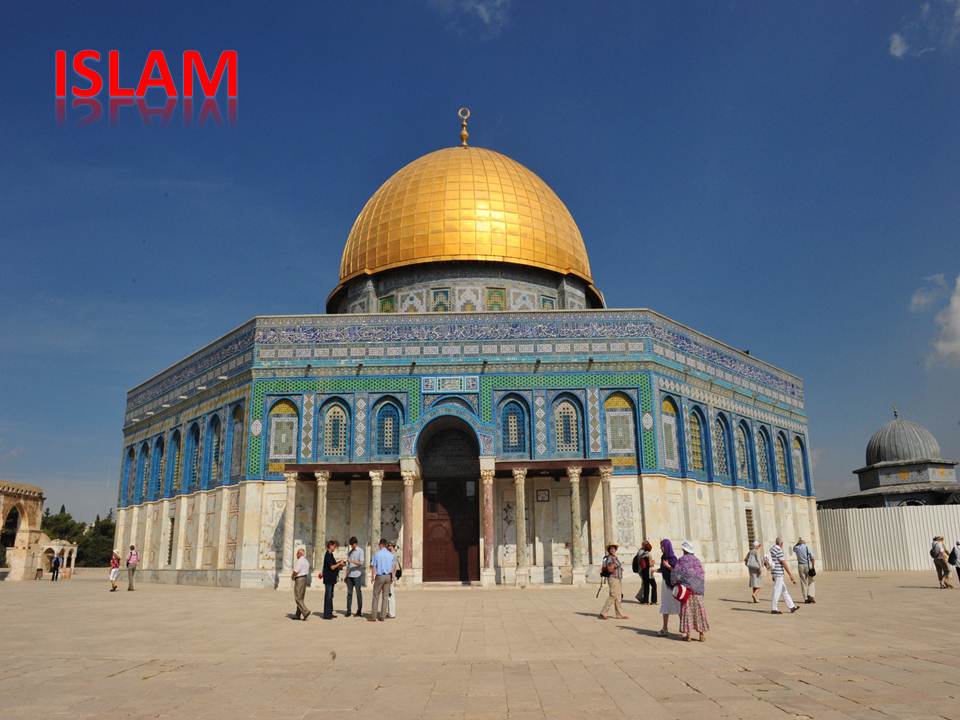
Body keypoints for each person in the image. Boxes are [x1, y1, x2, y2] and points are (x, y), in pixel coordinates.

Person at [674, 541, 709, 642]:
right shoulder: (697, 561)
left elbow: (676, 574)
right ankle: (701, 634)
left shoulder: (681, 560)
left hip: (687, 591)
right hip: (697, 591)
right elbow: (701, 575)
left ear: (684, 550)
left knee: (687, 612)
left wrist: (676, 582)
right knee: (699, 612)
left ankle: (688, 635)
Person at [657, 538, 681, 636]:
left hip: (673, 586)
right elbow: (663, 569)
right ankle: (665, 628)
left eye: (662, 546)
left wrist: (668, 566)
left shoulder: (673, 558)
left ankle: (685, 629)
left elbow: (677, 572)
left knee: (678, 606)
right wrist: (655, 570)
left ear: (667, 547)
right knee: (665, 606)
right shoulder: (663, 557)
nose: (661, 548)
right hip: (665, 585)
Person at [769, 537, 799, 614]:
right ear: (781, 544)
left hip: (775, 572)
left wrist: (772, 573)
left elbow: (772, 561)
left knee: (784, 590)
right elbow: (783, 562)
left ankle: (792, 607)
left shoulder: (772, 549)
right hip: (779, 573)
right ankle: (774, 608)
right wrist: (790, 574)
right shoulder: (778, 550)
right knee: (777, 590)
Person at [599, 543, 628, 620]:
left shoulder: (615, 557)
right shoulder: (609, 558)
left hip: (618, 578)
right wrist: (615, 566)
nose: (613, 550)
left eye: (614, 548)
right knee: (613, 595)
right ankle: (603, 612)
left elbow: (616, 566)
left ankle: (619, 614)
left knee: (618, 596)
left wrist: (619, 569)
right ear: (609, 550)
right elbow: (610, 568)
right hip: (613, 578)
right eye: (611, 549)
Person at [369, 538, 394, 621]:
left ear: (380, 544)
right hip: (388, 576)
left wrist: (372, 577)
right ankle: (382, 616)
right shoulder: (390, 555)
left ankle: (373, 616)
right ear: (386, 545)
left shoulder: (377, 554)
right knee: (385, 597)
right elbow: (393, 567)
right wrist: (392, 577)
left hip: (380, 576)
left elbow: (373, 567)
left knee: (376, 596)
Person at [321, 540, 346, 619]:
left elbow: (333, 565)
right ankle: (326, 614)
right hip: (328, 579)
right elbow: (332, 567)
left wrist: (339, 562)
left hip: (331, 579)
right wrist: (339, 564)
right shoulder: (327, 555)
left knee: (330, 596)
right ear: (330, 546)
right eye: (334, 546)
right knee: (328, 596)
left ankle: (330, 612)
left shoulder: (330, 555)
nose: (335, 548)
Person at [344, 536, 364, 617]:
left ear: (355, 544)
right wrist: (346, 576)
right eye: (350, 545)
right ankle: (348, 611)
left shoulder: (360, 551)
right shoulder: (350, 552)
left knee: (358, 593)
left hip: (357, 575)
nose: (351, 546)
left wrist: (352, 561)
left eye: (352, 545)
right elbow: (348, 565)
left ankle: (359, 611)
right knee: (349, 594)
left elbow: (361, 563)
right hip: (350, 576)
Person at [793, 537, 816, 603]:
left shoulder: (796, 548)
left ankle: (805, 598)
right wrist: (813, 567)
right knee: (811, 580)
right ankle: (810, 595)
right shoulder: (806, 547)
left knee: (803, 582)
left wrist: (798, 542)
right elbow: (812, 558)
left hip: (800, 565)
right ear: (804, 541)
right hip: (807, 565)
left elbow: (793, 548)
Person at [634, 540, 657, 605]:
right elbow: (649, 564)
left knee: (645, 585)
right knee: (652, 585)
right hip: (647, 572)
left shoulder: (641, 553)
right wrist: (653, 562)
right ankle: (653, 600)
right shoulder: (646, 554)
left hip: (643, 571)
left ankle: (645, 600)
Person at [291, 547, 311, 621]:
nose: (296, 554)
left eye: (297, 553)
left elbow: (296, 571)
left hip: (299, 579)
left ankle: (305, 611)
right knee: (301, 597)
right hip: (305, 578)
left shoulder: (299, 561)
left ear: (300, 554)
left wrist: (292, 576)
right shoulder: (306, 561)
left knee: (297, 597)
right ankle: (297, 614)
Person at [387, 542, 400, 619]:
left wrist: (393, 578)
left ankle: (392, 613)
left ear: (393, 546)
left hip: (391, 576)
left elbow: (394, 567)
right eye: (388, 546)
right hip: (390, 576)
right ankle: (390, 612)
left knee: (391, 595)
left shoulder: (393, 554)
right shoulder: (391, 554)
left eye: (390, 546)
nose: (389, 547)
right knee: (389, 595)